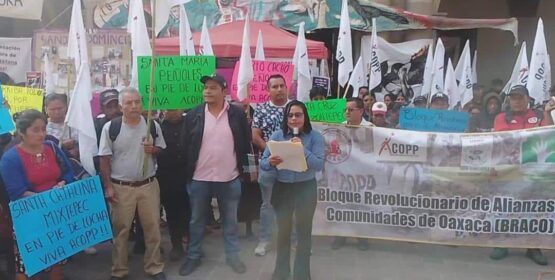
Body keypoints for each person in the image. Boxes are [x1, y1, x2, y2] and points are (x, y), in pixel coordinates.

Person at [179, 74, 250, 276]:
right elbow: (185, 146)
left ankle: (233, 256)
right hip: (200, 178)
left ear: (223, 91)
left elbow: (244, 144)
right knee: (197, 220)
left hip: (229, 178)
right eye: (206, 88)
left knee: (230, 220)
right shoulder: (194, 115)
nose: (207, 91)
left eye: (212, 88)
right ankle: (193, 256)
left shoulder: (236, 115)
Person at [98, 87, 167, 280]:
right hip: (121, 187)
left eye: (137, 102)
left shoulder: (151, 126)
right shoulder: (111, 128)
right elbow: (104, 159)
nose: (134, 106)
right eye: (129, 103)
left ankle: (154, 267)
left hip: (148, 185)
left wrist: (152, 149)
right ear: (121, 106)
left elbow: (162, 150)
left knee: (152, 228)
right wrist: (108, 186)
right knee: (121, 231)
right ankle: (119, 270)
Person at [0, 109, 74, 280]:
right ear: (21, 132)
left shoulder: (52, 148)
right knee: (27, 266)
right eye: (35, 130)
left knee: (56, 260)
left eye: (43, 129)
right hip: (29, 219)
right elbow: (16, 192)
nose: (41, 134)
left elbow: (68, 172)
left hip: (56, 215)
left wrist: (63, 182)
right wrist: (46, 199)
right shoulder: (10, 158)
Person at [489, 85, 555, 265]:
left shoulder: (540, 116)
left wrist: (548, 113)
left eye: (520, 97)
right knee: (504, 207)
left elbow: (549, 136)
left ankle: (533, 247)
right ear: (509, 100)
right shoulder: (502, 117)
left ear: (527, 99)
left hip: (534, 171)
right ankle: (501, 244)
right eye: (513, 98)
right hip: (509, 170)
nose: (516, 101)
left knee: (533, 210)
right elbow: (506, 138)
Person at [260, 100, 325, 280]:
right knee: (283, 232)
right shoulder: (277, 135)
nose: (294, 119)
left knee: (304, 232)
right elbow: (263, 163)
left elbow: (319, 164)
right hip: (283, 189)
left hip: (306, 188)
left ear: (305, 117)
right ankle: (281, 272)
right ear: (286, 118)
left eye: (298, 115)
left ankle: (302, 274)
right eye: (290, 115)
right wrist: (271, 162)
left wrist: (302, 149)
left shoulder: (315, 137)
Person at [252, 74, 290, 257]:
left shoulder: (295, 107)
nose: (279, 89)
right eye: (274, 86)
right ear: (268, 90)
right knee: (267, 205)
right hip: (269, 166)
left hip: (292, 167)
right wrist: (270, 151)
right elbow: (255, 135)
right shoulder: (261, 109)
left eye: (282, 85)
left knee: (294, 203)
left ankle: (295, 240)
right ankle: (265, 240)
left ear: (286, 87)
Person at [156, 110, 190, 261]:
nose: (173, 112)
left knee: (190, 212)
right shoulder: (157, 127)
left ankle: (192, 243)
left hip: (188, 175)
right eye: (169, 109)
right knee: (172, 213)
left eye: (176, 108)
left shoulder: (191, 124)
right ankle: (176, 245)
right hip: (167, 176)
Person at [44, 94, 79, 158]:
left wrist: (77, 150)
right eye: (52, 109)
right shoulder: (42, 126)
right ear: (46, 109)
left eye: (59, 108)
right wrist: (62, 145)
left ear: (66, 107)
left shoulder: (75, 124)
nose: (57, 112)